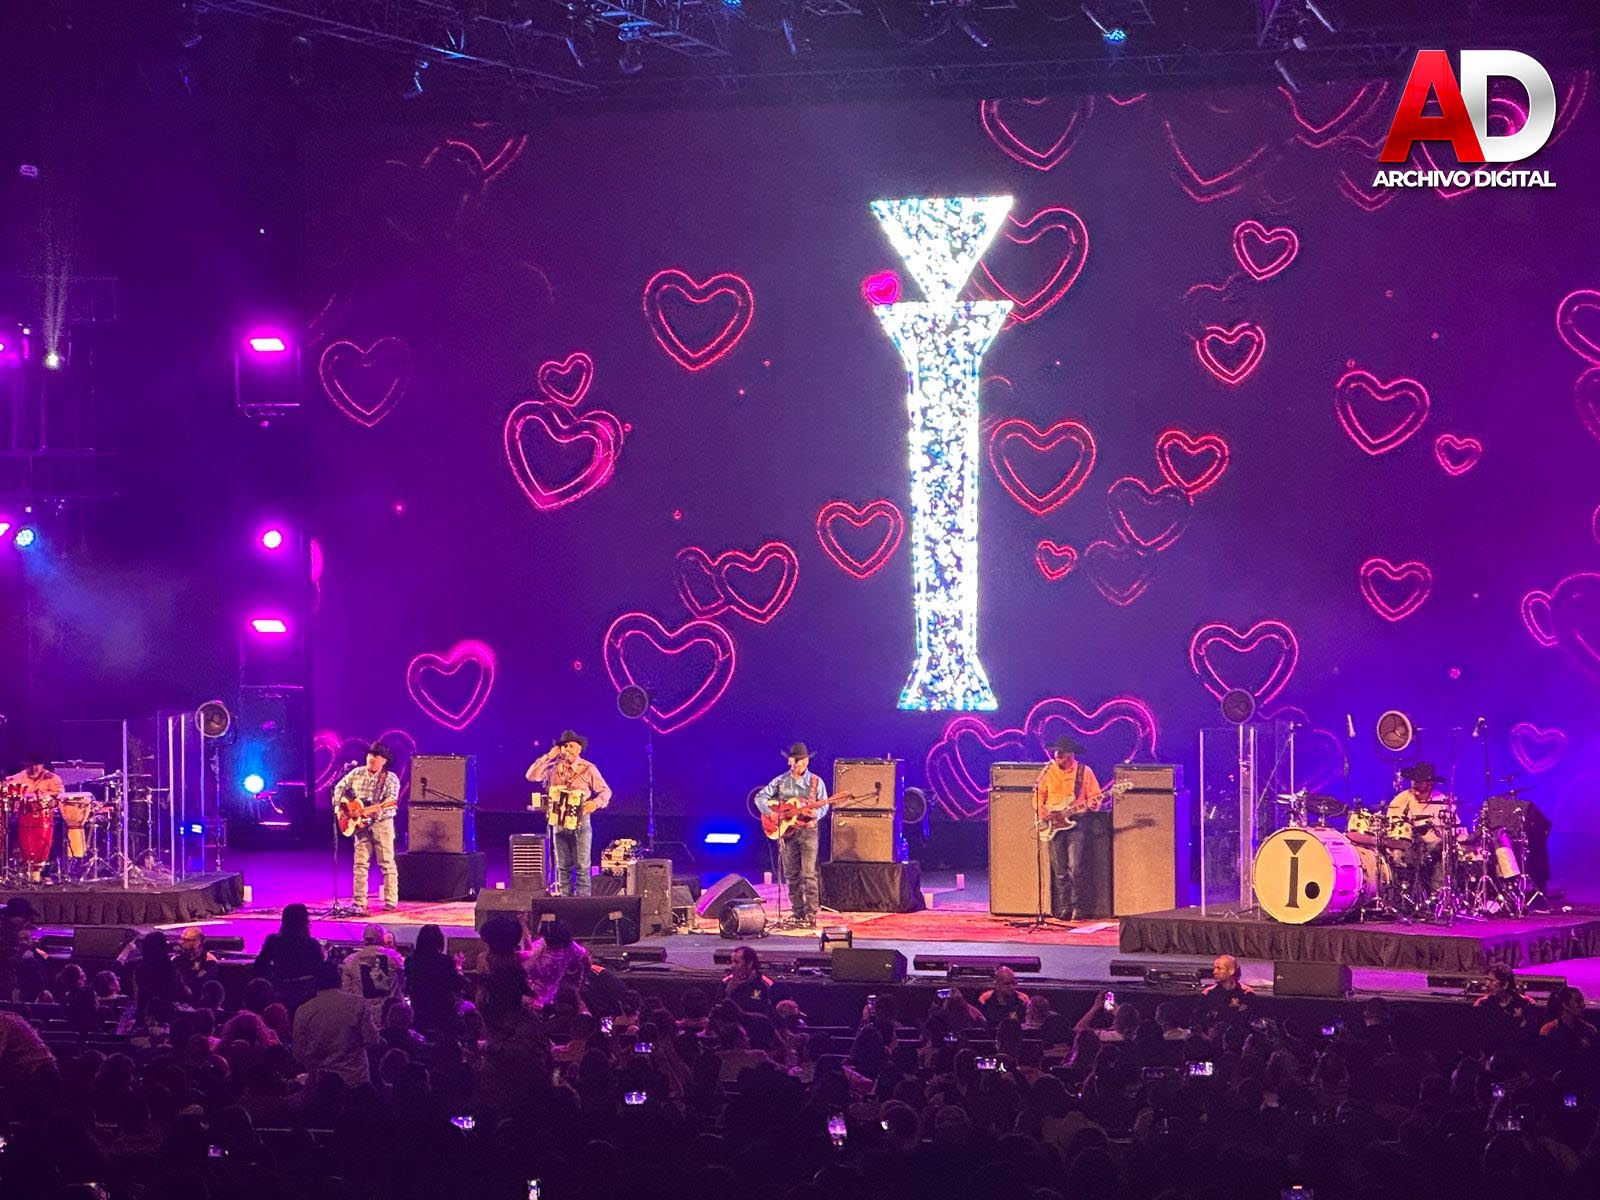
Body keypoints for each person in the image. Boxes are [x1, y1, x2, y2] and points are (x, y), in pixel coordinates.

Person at [526, 730, 612, 896]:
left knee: (582, 866)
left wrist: (595, 803)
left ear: (579, 748)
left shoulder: (588, 769)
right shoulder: (553, 767)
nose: (568, 749)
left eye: (571, 746)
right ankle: (564, 901)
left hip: (581, 821)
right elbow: (531, 776)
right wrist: (548, 756)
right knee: (562, 866)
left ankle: (582, 903)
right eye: (564, 746)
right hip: (558, 822)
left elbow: (605, 792)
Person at [753, 742, 829, 927]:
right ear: (790, 761)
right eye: (797, 760)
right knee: (791, 874)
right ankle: (797, 912)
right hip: (787, 833)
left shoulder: (816, 782)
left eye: (803, 760)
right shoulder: (781, 781)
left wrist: (816, 813)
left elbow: (825, 805)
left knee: (809, 873)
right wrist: (770, 812)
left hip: (808, 831)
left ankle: (811, 914)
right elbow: (760, 797)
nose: (800, 763)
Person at [1033, 736, 1105, 922]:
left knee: (1075, 867)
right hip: (1053, 824)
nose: (1057, 757)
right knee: (1059, 870)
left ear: (1071, 755)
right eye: (1056, 753)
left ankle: (1078, 907)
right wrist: (1042, 811)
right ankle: (1064, 907)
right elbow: (1039, 795)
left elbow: (1095, 797)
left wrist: (1094, 803)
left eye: (1061, 754)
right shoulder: (1048, 771)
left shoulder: (1084, 772)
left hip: (1077, 823)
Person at [332, 741, 402, 913]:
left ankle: (391, 901)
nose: (371, 758)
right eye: (370, 755)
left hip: (382, 825)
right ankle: (359, 902)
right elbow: (339, 788)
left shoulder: (390, 778)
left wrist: (372, 812)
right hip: (360, 826)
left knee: (386, 862)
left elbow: (391, 802)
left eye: (376, 756)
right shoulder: (356, 773)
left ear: (384, 760)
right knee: (360, 864)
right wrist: (339, 809)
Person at [292, 961, 379, 1088]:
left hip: (321, 1083)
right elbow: (372, 1040)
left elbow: (298, 1054)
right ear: (339, 979)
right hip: (355, 1079)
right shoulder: (358, 1004)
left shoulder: (303, 1010)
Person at [1387, 762, 1453, 891]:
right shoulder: (1402, 799)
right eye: (1414, 781)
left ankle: (1437, 893)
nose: (1415, 785)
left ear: (1429, 784)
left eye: (1419, 781)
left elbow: (1453, 829)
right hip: (1409, 846)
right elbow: (1392, 826)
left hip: (1434, 850)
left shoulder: (1442, 801)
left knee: (1442, 848)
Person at [252, 902, 326, 1005]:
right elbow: (320, 969)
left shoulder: (273, 940)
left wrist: (274, 978)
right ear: (305, 921)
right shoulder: (312, 943)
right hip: (306, 992)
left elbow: (260, 966)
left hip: (281, 991)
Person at [5, 757, 64, 882]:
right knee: (9, 829)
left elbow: (60, 795)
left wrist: (44, 796)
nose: (33, 768)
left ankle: (47, 872)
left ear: (42, 765)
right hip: (24, 817)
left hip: (47, 817)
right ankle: (18, 867)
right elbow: (8, 787)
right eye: (30, 766)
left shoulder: (53, 778)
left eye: (37, 765)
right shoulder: (19, 777)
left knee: (56, 833)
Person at [404, 923, 468, 1036]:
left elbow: (408, 986)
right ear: (439, 941)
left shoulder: (410, 961)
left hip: (419, 1012)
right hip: (442, 1012)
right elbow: (457, 983)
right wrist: (460, 973)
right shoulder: (444, 960)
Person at [526, 920, 591, 1008]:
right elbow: (525, 966)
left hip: (554, 996)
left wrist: (578, 982)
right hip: (535, 996)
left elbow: (586, 959)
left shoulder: (570, 946)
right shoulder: (541, 945)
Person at [340, 923, 405, 1011]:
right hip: (389, 1010)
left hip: (363, 1010)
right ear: (382, 938)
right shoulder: (394, 957)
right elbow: (401, 982)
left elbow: (347, 990)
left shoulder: (350, 961)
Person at [1194, 954, 1254, 1025]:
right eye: (1214, 968)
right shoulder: (1208, 993)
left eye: (1219, 968)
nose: (1214, 972)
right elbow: (1198, 1020)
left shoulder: (1246, 992)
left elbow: (1252, 1019)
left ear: (1231, 971)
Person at [1474, 964, 1532, 1030]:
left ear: (1505, 984)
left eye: (1491, 981)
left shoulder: (1524, 1003)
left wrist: (1522, 1021)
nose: (1486, 984)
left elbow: (1532, 1031)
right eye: (1486, 980)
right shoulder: (1482, 1004)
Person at [722, 945, 774, 1011]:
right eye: (731, 962)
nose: (732, 966)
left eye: (737, 962)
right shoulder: (726, 982)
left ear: (749, 963)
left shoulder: (764, 984)